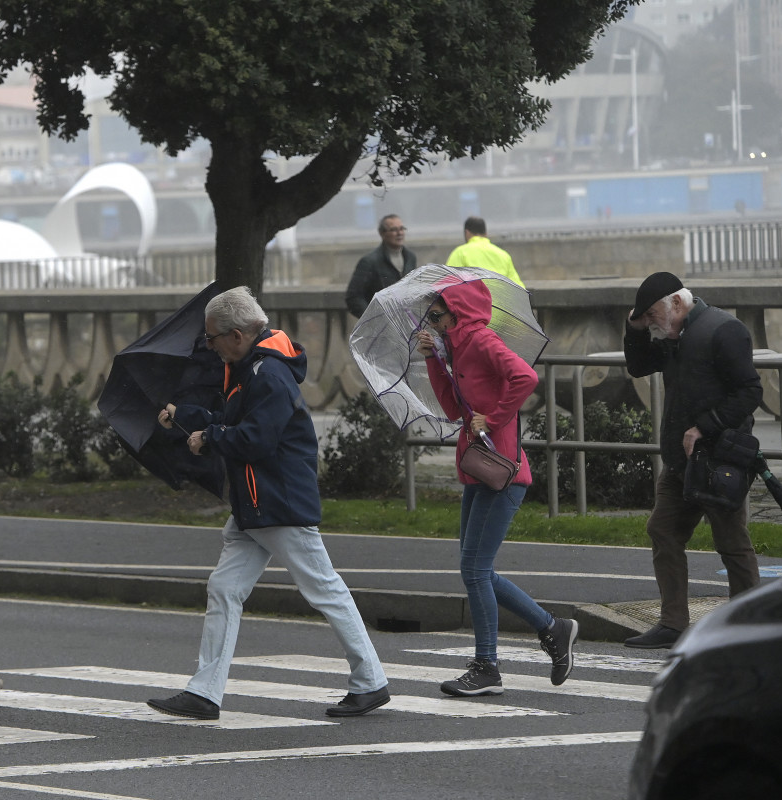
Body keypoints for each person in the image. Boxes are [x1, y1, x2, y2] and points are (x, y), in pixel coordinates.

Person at [146, 286, 390, 720]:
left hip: (276, 502)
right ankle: (204, 693)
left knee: (324, 589)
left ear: (237, 336)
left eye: (212, 339)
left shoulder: (266, 374)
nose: (211, 347)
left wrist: (210, 438)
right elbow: (237, 423)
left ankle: (370, 681)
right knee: (227, 589)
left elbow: (255, 438)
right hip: (260, 503)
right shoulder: (257, 370)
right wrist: (186, 416)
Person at [415, 281, 577, 696]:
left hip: (502, 472)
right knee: (477, 570)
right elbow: (453, 408)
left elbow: (525, 376)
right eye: (430, 318)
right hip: (479, 469)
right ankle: (553, 629)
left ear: (458, 312)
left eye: (437, 316)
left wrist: (494, 417)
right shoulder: (458, 348)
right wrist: (434, 358)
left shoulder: (481, 340)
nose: (433, 323)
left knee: (474, 571)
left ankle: (488, 666)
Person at [622, 272, 763, 649]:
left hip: (720, 460)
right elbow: (638, 366)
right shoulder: (673, 335)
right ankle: (673, 624)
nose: (652, 323)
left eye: (653, 314)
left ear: (677, 302)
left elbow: (750, 391)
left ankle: (749, 625)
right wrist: (634, 327)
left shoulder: (724, 330)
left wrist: (705, 426)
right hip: (681, 461)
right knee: (663, 530)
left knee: (731, 542)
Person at [345, 214, 418, 317]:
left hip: (406, 320)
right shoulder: (369, 261)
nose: (399, 233)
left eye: (401, 229)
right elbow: (353, 297)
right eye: (394, 230)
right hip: (382, 322)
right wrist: (372, 319)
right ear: (382, 233)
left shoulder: (410, 257)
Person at [445, 217, 524, 288]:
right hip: (499, 299)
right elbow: (518, 286)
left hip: (473, 299)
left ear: (467, 232)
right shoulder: (504, 255)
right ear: (485, 233)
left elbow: (448, 284)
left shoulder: (460, 253)